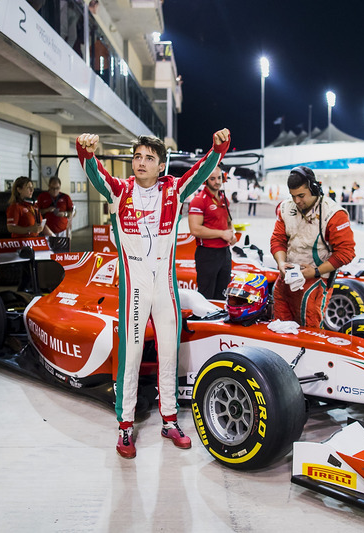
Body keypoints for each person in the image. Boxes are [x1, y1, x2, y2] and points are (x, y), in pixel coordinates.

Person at [76, 128, 230, 458]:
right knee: (130, 357)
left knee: (169, 356)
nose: (141, 162)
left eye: (149, 158)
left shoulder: (174, 188)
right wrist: (86, 153)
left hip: (165, 287)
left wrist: (218, 149)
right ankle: (125, 426)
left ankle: (170, 421)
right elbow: (95, 173)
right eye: (137, 157)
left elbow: (200, 170)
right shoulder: (119, 190)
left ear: (161, 165)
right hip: (135, 287)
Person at [270, 166, 355, 328]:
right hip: (286, 278)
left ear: (314, 189)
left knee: (310, 334)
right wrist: (281, 263)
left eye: (301, 195)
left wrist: (315, 271)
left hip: (315, 282)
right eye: (293, 196)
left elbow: (346, 253)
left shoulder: (334, 214)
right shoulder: (285, 208)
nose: (297, 201)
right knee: (280, 330)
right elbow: (277, 239)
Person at [188, 165, 236, 300]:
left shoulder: (224, 199)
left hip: (225, 253)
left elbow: (228, 221)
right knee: (206, 296)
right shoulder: (198, 200)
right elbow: (195, 229)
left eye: (219, 178)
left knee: (223, 295)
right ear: (205, 180)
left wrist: (232, 233)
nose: (217, 181)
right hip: (207, 254)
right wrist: (222, 234)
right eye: (213, 178)